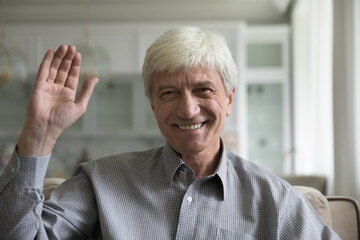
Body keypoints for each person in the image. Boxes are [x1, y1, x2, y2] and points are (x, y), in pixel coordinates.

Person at [0, 26, 340, 239]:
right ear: (152, 104)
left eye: (204, 90)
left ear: (229, 99)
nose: (188, 109)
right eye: (168, 93)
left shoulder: (276, 201)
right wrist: (38, 136)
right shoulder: (100, 181)